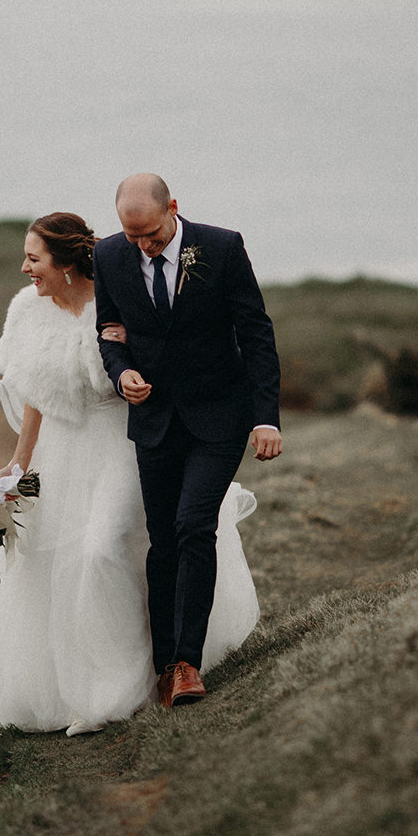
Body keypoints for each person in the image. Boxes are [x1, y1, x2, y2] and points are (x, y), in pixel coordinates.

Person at [0, 213, 258, 765]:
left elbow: (161, 358)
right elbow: (32, 394)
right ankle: (86, 687)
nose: (25, 267)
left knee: (103, 549)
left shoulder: (118, 297)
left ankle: (129, 684)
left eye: (34, 258)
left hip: (123, 443)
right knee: (57, 565)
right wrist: (19, 465)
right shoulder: (25, 310)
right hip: (59, 451)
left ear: (66, 262)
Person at [94, 174, 283, 708]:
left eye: (151, 235)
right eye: (132, 237)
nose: (143, 247)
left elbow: (256, 333)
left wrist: (264, 418)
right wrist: (121, 372)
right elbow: (108, 327)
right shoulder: (109, 256)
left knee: (194, 525)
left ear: (173, 209)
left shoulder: (221, 247)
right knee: (163, 541)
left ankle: (188, 665)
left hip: (219, 416)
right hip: (154, 420)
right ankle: (164, 662)